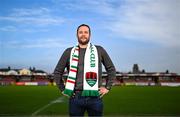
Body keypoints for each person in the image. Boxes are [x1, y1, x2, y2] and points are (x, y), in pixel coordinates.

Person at [53, 24, 116, 116]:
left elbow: (111, 69)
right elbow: (58, 72)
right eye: (80, 32)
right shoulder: (69, 52)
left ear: (90, 35)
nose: (83, 34)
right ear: (77, 35)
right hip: (75, 97)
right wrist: (63, 89)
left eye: (86, 32)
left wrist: (107, 87)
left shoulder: (99, 50)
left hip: (95, 97)